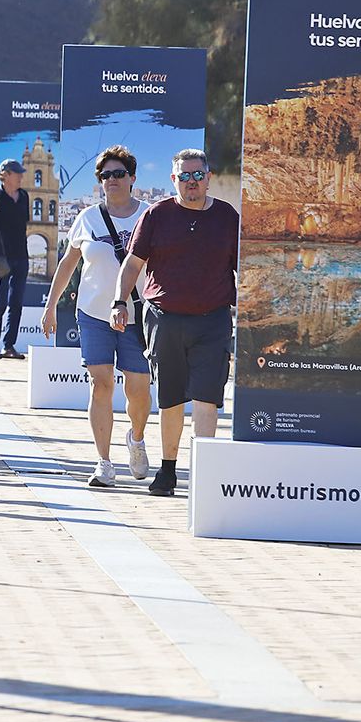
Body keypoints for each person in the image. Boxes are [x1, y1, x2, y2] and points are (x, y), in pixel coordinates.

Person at [111, 150, 238, 497]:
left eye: (198, 175)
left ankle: (204, 473)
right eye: (184, 176)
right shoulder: (157, 215)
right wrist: (120, 302)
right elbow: (133, 264)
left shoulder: (227, 217)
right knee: (169, 398)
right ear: (173, 180)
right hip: (164, 319)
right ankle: (168, 470)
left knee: (207, 397)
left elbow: (245, 268)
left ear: (209, 177)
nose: (192, 182)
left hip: (213, 320)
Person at [42, 145, 153, 488]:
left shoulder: (150, 215)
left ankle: (135, 438)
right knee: (100, 384)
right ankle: (104, 462)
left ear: (132, 178)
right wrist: (50, 306)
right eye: (106, 176)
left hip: (138, 314)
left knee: (138, 389)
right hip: (93, 313)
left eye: (119, 174)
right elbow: (68, 264)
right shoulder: (87, 218)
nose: (112, 181)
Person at [0, 158, 30, 360]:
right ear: (5, 175)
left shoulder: (24, 196)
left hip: (22, 256)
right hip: (2, 258)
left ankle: (9, 345)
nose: (21, 176)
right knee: (0, 302)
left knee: (17, 302)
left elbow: (24, 224)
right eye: (17, 173)